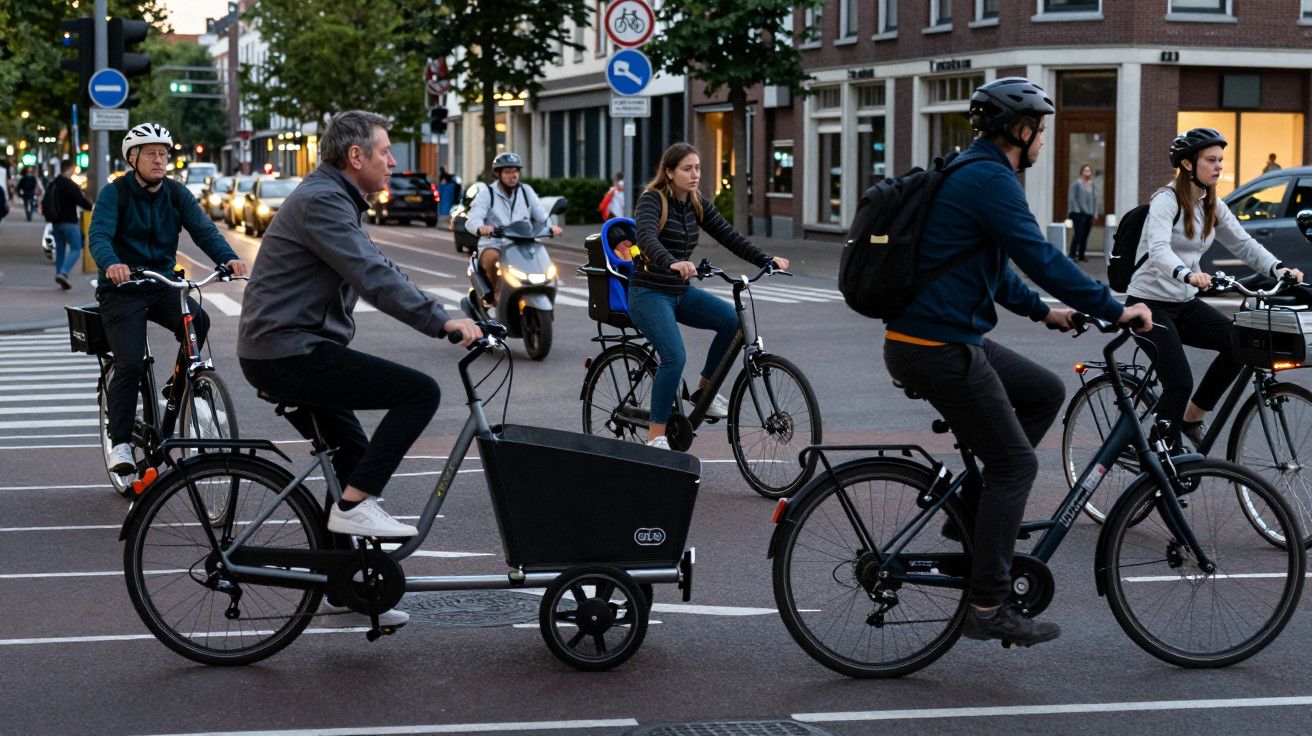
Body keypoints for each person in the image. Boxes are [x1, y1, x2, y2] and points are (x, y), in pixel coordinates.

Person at [882, 78, 1153, 647]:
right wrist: (1114, 307)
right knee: (1016, 467)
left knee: (1044, 391)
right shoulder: (989, 179)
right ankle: (987, 604)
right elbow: (1041, 255)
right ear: (1020, 130)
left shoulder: (970, 171)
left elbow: (994, 268)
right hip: (939, 346)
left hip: (938, 338)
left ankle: (972, 517)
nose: (1043, 143)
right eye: (1041, 132)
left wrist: (1042, 313)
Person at [238, 110, 480, 542]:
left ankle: (346, 584)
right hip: (288, 351)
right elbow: (372, 276)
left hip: (289, 347)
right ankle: (352, 507)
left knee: (351, 455)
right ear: (355, 156)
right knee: (419, 393)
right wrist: (441, 322)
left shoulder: (335, 198)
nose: (392, 162)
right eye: (385, 152)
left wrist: (446, 311)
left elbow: (382, 266)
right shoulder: (324, 202)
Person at [1126, 128, 1303, 449]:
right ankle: (1158, 454)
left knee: (1239, 343)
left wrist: (1278, 268)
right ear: (1188, 164)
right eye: (1211, 160)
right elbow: (1158, 248)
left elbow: (1244, 244)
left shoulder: (1211, 203)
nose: (1219, 166)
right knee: (1178, 383)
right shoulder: (1165, 201)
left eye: (1220, 160)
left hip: (1183, 302)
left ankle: (1192, 418)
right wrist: (1186, 274)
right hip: (1147, 304)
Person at [88, 123, 248, 475]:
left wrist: (228, 257)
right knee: (129, 363)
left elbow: (204, 229)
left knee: (199, 321)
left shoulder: (176, 194)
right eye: (151, 154)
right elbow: (98, 234)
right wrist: (112, 263)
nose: (160, 159)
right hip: (122, 288)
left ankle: (177, 382)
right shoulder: (115, 194)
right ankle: (121, 444)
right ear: (133, 159)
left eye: (164, 153)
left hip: (162, 282)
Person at [630, 142, 789, 450]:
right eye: (687, 169)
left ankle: (703, 392)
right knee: (674, 357)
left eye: (698, 168)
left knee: (732, 322)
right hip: (648, 293)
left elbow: (729, 236)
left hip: (679, 292)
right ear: (670, 172)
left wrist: (764, 260)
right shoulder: (652, 200)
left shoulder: (696, 203)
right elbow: (645, 237)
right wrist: (671, 261)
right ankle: (655, 436)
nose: (694, 175)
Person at [463, 152, 561, 305]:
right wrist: (481, 227)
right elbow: (471, 220)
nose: (512, 175)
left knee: (544, 262)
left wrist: (551, 227)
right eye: (507, 171)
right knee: (492, 259)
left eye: (515, 171)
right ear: (499, 174)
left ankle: (542, 292)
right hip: (494, 243)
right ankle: (498, 293)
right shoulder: (486, 194)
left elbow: (541, 215)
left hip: (523, 242)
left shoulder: (526, 191)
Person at [44, 159, 94, 289]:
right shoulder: (69, 184)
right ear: (70, 168)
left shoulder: (53, 183)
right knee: (76, 248)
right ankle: (64, 273)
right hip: (70, 222)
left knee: (60, 250)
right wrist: (90, 205)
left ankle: (60, 275)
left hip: (55, 223)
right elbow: (81, 201)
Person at [1066, 164, 1097, 262]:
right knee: (1078, 234)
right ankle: (1072, 255)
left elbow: (1095, 199)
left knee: (1085, 235)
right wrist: (1077, 210)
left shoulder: (1092, 185)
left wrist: (1094, 212)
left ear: (1091, 173)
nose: (1087, 172)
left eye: (1089, 171)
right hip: (1078, 213)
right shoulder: (1077, 183)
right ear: (1082, 172)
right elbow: (1072, 198)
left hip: (1089, 214)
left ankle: (1081, 255)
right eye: (1085, 170)